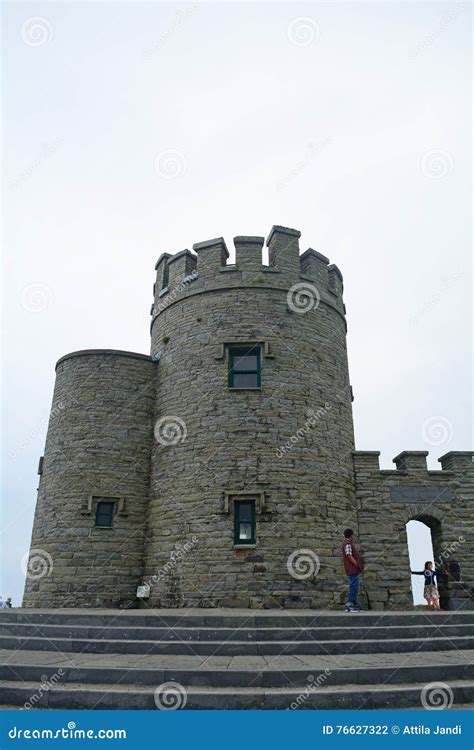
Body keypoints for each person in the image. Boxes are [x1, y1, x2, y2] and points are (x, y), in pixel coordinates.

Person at [342, 528, 364, 612]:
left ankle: (353, 604)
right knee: (353, 586)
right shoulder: (348, 544)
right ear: (351, 535)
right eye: (353, 535)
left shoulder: (348, 544)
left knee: (355, 586)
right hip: (352, 569)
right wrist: (357, 565)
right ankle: (350, 604)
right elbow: (349, 555)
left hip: (352, 569)